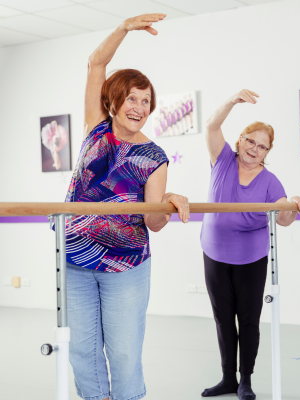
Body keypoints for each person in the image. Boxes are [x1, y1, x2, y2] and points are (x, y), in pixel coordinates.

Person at [64, 14, 190, 400]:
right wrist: (123, 28)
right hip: (74, 259)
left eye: (146, 101)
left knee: (123, 352)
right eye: (131, 98)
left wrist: (168, 203)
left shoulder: (154, 156)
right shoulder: (95, 127)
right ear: (114, 101)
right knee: (82, 350)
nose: (138, 107)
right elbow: (96, 64)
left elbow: (152, 222)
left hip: (125, 265)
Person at [200, 89, 300, 400]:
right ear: (240, 139)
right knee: (223, 319)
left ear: (266, 153)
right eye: (251, 141)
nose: (254, 149)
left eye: (262, 147)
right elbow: (210, 126)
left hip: (251, 258)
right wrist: (232, 101)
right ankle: (226, 378)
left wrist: (293, 206)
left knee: (247, 320)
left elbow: (283, 220)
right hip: (215, 253)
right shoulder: (221, 160)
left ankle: (245, 380)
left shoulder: (271, 182)